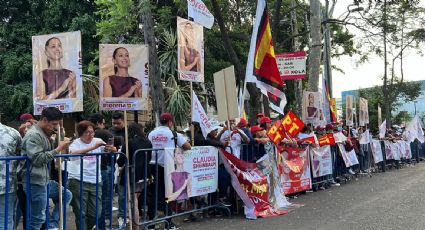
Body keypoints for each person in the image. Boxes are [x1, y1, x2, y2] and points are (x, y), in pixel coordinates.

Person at [18, 107, 71, 230]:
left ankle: (52, 225)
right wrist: (58, 149)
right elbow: (38, 159)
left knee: (66, 195)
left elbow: (52, 147)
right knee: (37, 218)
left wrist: (60, 132)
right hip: (34, 181)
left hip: (43, 180)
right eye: (54, 124)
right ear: (45, 120)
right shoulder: (33, 135)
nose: (55, 127)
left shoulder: (44, 133)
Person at [148, 112, 191, 230]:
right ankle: (168, 223)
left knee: (153, 195)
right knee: (168, 195)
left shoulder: (152, 133)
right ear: (170, 122)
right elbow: (187, 147)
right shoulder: (173, 133)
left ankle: (151, 224)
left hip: (152, 167)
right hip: (166, 167)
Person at [68, 121, 114, 230]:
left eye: (92, 132)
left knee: (96, 214)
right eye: (87, 132)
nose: (91, 135)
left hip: (95, 180)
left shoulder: (97, 141)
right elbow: (72, 154)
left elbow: (112, 149)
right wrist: (92, 148)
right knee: (81, 213)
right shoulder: (75, 143)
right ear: (81, 133)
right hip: (78, 180)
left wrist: (112, 149)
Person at [117, 122, 152, 227]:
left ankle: (135, 225)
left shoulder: (129, 142)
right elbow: (149, 157)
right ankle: (136, 223)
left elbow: (121, 161)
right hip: (145, 173)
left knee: (134, 201)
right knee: (136, 199)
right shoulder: (148, 142)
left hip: (132, 174)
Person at [88, 113, 116, 229]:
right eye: (103, 123)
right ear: (98, 123)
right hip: (102, 168)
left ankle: (98, 223)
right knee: (103, 199)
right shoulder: (105, 133)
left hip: (90, 170)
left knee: (94, 199)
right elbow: (112, 146)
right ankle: (102, 224)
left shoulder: (85, 135)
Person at [0, 122, 22, 229]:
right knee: (5, 219)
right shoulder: (13, 133)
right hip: (7, 184)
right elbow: (21, 157)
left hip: (8, 184)